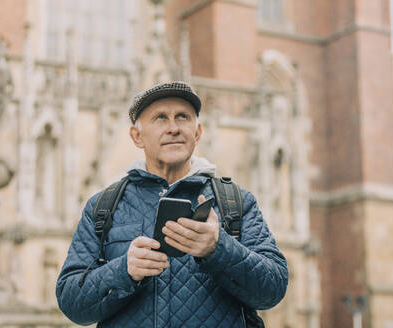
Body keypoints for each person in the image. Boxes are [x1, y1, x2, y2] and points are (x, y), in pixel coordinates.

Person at [56, 81, 288, 327]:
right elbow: (71, 302)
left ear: (197, 132)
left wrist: (218, 248)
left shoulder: (236, 202)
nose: (173, 128)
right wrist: (124, 270)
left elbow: (273, 289)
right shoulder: (103, 206)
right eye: (160, 118)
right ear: (137, 136)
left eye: (182, 117)